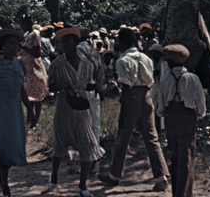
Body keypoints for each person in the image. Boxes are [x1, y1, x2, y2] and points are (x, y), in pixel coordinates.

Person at [98, 28, 170, 191]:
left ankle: (114, 175)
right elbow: (150, 80)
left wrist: (124, 103)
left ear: (122, 42)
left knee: (123, 135)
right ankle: (161, 176)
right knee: (152, 137)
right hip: (146, 95)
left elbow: (126, 85)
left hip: (132, 96)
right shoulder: (145, 57)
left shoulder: (123, 60)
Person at [48, 28, 105, 197]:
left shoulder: (87, 65)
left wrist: (99, 89)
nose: (64, 45)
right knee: (60, 144)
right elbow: (50, 86)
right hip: (64, 107)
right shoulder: (57, 64)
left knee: (87, 143)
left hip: (81, 107)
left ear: (75, 43)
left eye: (67, 42)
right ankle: (54, 177)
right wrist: (61, 87)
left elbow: (88, 83)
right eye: (62, 42)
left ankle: (82, 185)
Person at [0, 29, 35, 197]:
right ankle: (5, 185)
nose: (15, 47)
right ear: (2, 46)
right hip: (0, 109)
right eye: (11, 44)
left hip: (15, 109)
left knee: (15, 146)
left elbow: (21, 89)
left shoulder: (19, 64)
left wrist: (30, 109)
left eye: (16, 44)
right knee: (4, 146)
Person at [154, 45, 206, 197]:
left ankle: (177, 192)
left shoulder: (166, 79)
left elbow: (161, 106)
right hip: (187, 117)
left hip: (171, 118)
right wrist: (197, 115)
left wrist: (164, 114)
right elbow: (201, 105)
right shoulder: (193, 79)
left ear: (170, 62)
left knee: (175, 155)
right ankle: (184, 193)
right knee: (187, 155)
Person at [76, 27, 108, 173]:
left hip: (80, 92)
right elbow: (101, 72)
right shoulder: (94, 51)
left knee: (81, 128)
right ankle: (95, 163)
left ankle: (84, 161)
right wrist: (101, 90)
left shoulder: (75, 51)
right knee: (95, 126)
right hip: (94, 89)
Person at [18, 14, 48, 128]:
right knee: (29, 95)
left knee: (37, 96)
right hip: (27, 70)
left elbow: (37, 53)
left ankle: (36, 118)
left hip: (35, 69)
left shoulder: (35, 34)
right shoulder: (26, 35)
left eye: (22, 24)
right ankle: (29, 117)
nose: (21, 27)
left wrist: (24, 48)